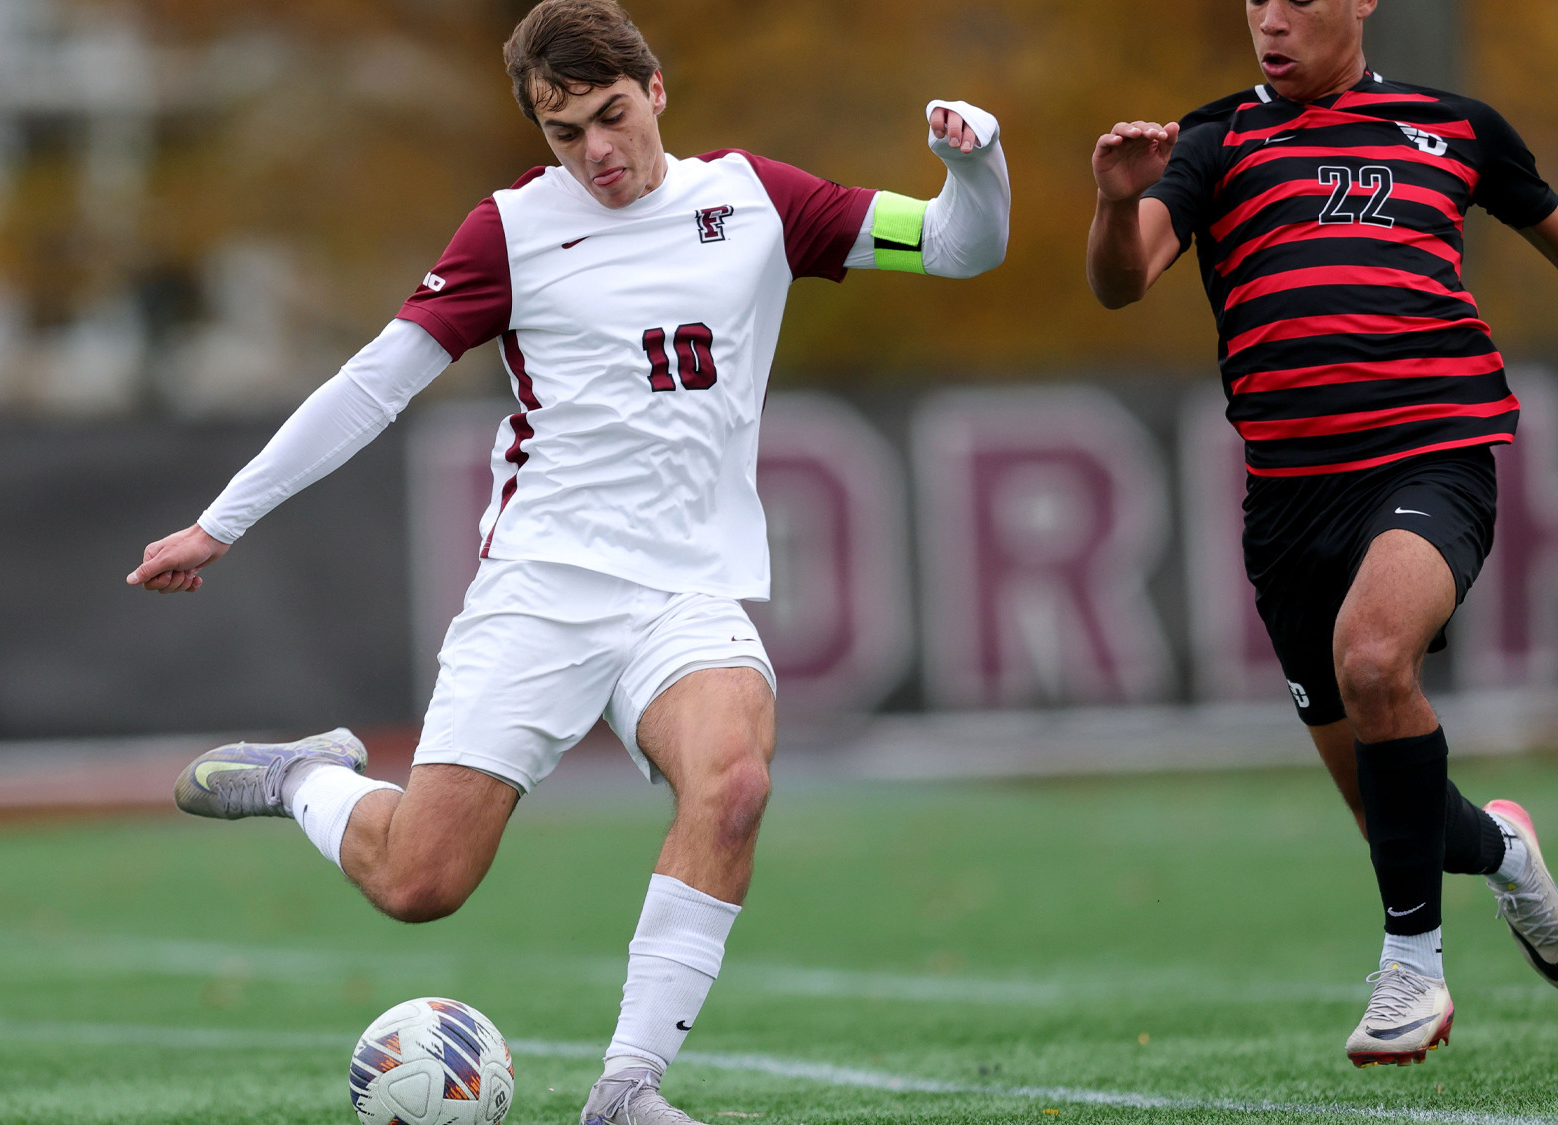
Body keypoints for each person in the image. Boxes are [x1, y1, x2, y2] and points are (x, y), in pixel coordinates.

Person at [126, 1, 1009, 1120]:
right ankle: (305, 775)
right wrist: (221, 522)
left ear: (656, 89)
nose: (597, 151)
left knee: (733, 783)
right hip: (542, 590)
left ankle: (626, 1090)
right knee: (419, 882)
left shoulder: (757, 201)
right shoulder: (509, 231)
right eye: (564, 132)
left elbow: (961, 246)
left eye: (611, 115)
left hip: (684, 593)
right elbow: (372, 384)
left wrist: (973, 165)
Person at [1086, 0, 1558, 1068]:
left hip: (1434, 456)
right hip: (1290, 505)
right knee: (1398, 820)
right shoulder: (1214, 141)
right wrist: (1115, 203)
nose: (1272, 18)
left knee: (1374, 658)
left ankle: (1411, 971)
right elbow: (1120, 283)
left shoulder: (1457, 127)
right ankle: (1508, 856)